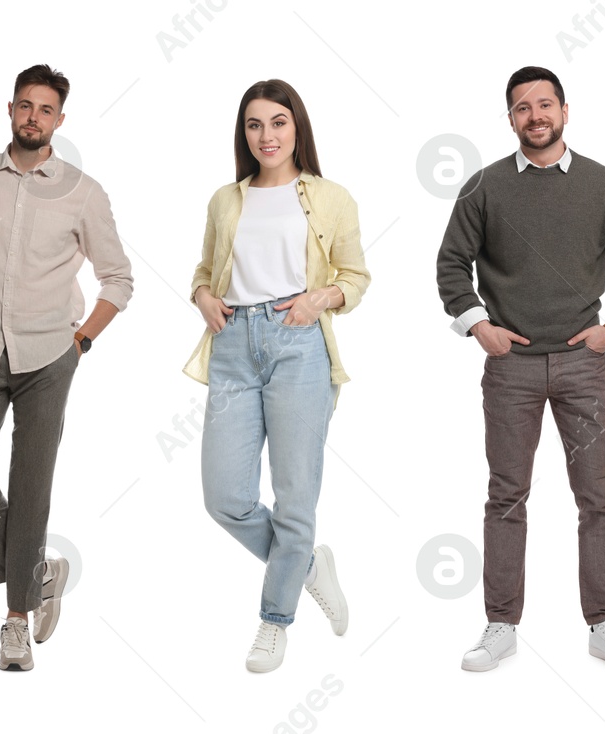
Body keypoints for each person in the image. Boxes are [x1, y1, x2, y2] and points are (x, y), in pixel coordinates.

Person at [436, 66, 605, 674]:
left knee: (598, 498)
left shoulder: (603, 185)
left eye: (544, 105)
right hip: (511, 370)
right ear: (509, 118)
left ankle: (604, 624)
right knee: (506, 496)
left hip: (585, 364)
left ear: (564, 110)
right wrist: (479, 326)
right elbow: (451, 266)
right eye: (522, 108)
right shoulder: (482, 187)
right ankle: (501, 624)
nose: (535, 116)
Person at [0, 64, 134, 672]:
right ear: (10, 110)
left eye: (45, 109)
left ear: (59, 120)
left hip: (49, 357)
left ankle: (15, 621)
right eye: (24, 106)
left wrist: (81, 342)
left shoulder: (82, 191)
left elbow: (118, 278)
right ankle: (39, 573)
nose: (33, 117)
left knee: (32, 486)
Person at [185, 79, 370, 673]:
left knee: (295, 497)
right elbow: (203, 267)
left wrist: (322, 299)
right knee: (225, 496)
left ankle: (274, 620)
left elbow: (357, 276)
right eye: (254, 125)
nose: (266, 135)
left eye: (278, 122)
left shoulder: (332, 197)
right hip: (234, 345)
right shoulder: (225, 199)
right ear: (244, 134)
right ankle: (308, 565)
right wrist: (202, 295)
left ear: (298, 127)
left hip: (299, 344)